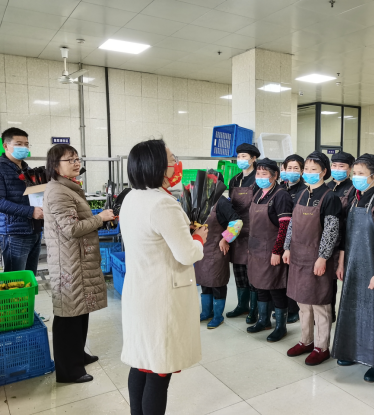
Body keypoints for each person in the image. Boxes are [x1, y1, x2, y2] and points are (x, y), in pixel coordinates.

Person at [120, 139, 207, 415]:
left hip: (139, 292)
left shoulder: (131, 197)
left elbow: (154, 239)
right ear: (156, 165)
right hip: (161, 299)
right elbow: (186, 254)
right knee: (159, 371)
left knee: (141, 363)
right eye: (171, 159)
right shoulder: (163, 204)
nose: (175, 164)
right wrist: (198, 238)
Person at [43, 144, 114, 383]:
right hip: (69, 263)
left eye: (77, 159)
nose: (76, 163)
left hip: (78, 259)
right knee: (69, 315)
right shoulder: (58, 191)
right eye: (69, 160)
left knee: (80, 310)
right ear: (55, 166)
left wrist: (99, 218)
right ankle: (68, 371)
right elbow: (71, 229)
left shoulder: (69, 187)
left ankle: (78, 355)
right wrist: (99, 218)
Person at [332, 154, 374, 382]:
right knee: (353, 308)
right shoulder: (355, 197)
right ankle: (353, 352)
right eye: (354, 173)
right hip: (354, 263)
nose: (356, 178)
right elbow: (346, 235)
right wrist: (342, 263)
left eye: (361, 174)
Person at [284, 151, 341, 366]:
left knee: (319, 304)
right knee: (303, 302)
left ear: (324, 172)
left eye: (313, 169)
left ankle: (321, 347)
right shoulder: (301, 194)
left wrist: (323, 257)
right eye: (306, 169)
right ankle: (306, 341)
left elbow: (331, 231)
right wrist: (287, 247)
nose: (308, 173)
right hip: (298, 256)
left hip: (317, 258)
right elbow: (292, 224)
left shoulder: (330, 197)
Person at [246, 158, 293, 342]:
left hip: (272, 250)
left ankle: (281, 327)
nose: (260, 177)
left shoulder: (281, 195)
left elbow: (285, 227)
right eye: (258, 173)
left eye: (264, 174)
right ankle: (263, 320)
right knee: (260, 286)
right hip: (256, 249)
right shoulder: (258, 192)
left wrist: (277, 251)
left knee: (275, 287)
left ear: (275, 176)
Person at [196, 192, 243, 329]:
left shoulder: (221, 202)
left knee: (217, 283)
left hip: (217, 250)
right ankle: (206, 312)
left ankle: (218, 316)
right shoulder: (198, 199)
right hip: (201, 249)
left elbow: (237, 222)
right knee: (204, 282)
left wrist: (226, 239)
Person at [0, 128, 43, 275]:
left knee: (29, 277)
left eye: (26, 144)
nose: (24, 147)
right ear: (5, 146)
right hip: (14, 233)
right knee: (16, 280)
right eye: (19, 144)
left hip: (34, 229)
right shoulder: (1, 168)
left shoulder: (27, 168)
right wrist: (31, 212)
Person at [226, 143, 260, 324]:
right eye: (239, 156)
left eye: (244, 156)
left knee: (251, 271)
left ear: (253, 158)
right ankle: (242, 305)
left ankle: (254, 309)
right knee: (238, 269)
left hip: (254, 229)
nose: (241, 159)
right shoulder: (234, 180)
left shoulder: (259, 179)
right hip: (237, 230)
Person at [327, 151, 356, 321]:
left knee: (344, 277)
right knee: (327, 280)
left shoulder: (353, 188)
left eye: (342, 166)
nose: (337, 169)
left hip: (345, 239)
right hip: (327, 240)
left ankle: (347, 317)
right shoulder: (326, 186)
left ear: (350, 169)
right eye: (334, 165)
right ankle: (328, 313)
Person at [281, 154, 307, 324]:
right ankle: (284, 308)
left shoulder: (303, 190)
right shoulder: (282, 187)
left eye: (295, 168)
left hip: (296, 236)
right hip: (280, 235)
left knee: (293, 276)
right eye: (289, 168)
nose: (291, 171)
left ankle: (294, 310)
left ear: (302, 171)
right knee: (283, 275)